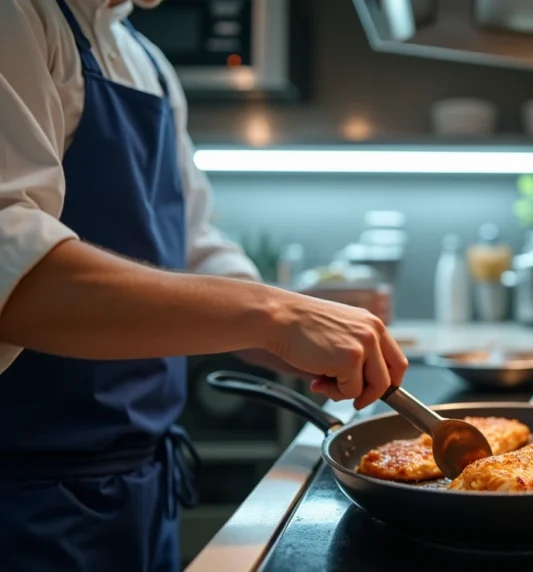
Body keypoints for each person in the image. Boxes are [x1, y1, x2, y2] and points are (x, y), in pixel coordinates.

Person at [0, 0, 408, 570]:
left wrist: (276, 330)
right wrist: (275, 315)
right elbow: (14, 276)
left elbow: (190, 243)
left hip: (144, 483)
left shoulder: (148, 62)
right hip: (23, 495)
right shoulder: (18, 18)